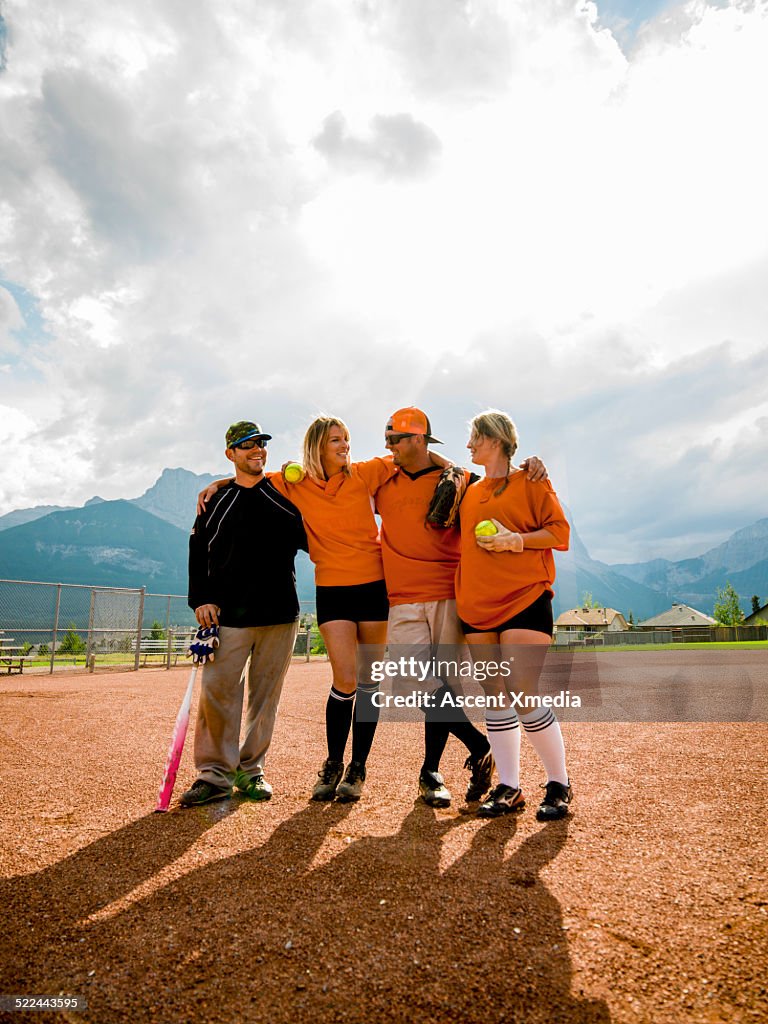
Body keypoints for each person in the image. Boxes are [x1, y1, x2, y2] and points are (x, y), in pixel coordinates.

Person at [199, 416, 398, 804]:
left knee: (369, 682)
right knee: (344, 682)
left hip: (375, 588)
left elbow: (411, 458)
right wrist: (218, 483)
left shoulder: (366, 473)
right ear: (317, 447)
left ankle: (357, 770)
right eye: (336, 440)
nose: (344, 446)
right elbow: (249, 477)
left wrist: (455, 470)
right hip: (332, 590)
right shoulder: (294, 480)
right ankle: (331, 764)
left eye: (347, 439)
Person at [375, 407, 548, 808]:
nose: (389, 448)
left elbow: (499, 480)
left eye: (396, 440)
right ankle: (480, 744)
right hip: (402, 597)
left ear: (417, 439)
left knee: (446, 685)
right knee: (415, 681)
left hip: (451, 594)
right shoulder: (382, 479)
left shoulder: (462, 481)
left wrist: (531, 465)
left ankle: (431, 773)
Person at [180, 421, 307, 807]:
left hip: (280, 613)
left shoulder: (284, 495)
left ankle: (252, 773)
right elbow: (198, 550)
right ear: (230, 453)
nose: (257, 450)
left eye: (261, 444)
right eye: (247, 445)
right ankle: (213, 775)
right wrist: (200, 598)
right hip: (227, 616)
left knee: (264, 701)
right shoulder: (214, 501)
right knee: (217, 697)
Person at [455, 409, 572, 821]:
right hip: (475, 606)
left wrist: (515, 542)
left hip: (524, 598)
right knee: (495, 696)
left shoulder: (532, 480)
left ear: (497, 439)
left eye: (475, 437)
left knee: (523, 692)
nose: (469, 445)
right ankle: (509, 786)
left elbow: (559, 533)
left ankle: (558, 782)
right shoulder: (468, 491)